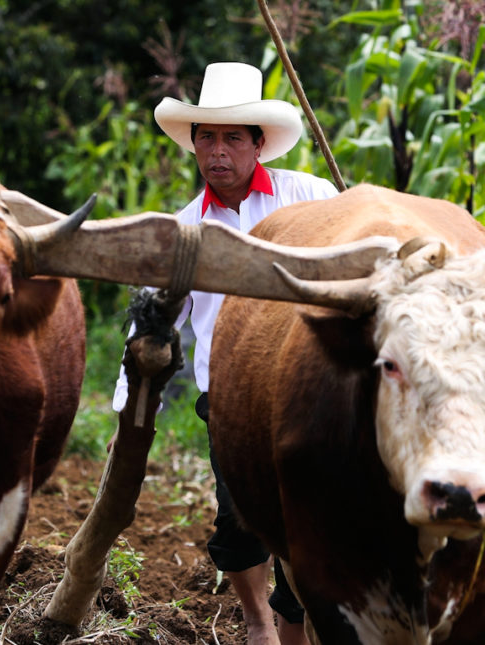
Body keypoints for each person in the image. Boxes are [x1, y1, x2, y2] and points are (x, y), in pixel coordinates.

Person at [112, 61, 337, 645]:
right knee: (240, 525)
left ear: (259, 144)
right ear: (192, 145)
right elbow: (152, 329)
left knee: (307, 525)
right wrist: (129, 416)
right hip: (231, 400)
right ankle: (257, 621)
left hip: (305, 393)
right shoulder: (185, 232)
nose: (218, 151)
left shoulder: (311, 201)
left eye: (233, 138)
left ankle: (291, 630)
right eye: (206, 137)